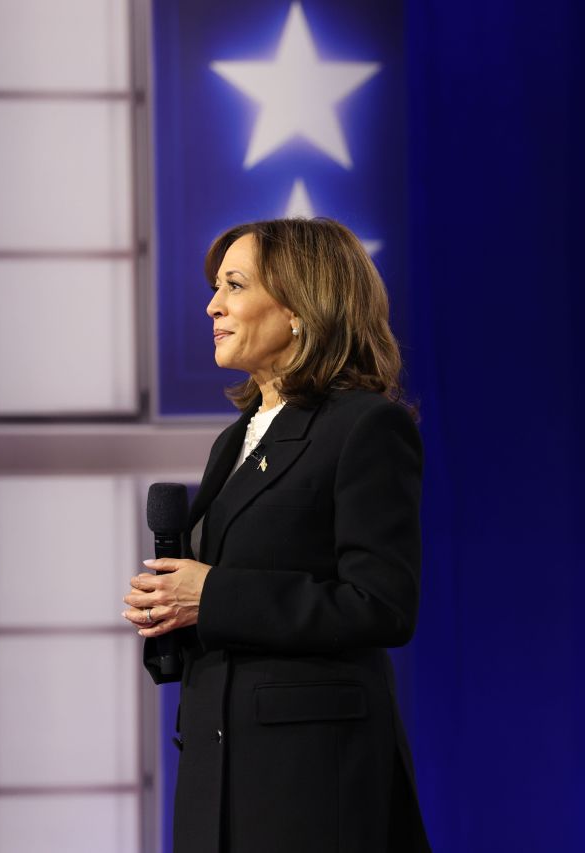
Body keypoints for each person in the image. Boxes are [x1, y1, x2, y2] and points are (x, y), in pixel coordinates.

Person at [122, 217, 431, 852]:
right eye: (215, 287)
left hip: (309, 782)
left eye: (233, 286)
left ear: (298, 308)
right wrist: (173, 611)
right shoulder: (234, 440)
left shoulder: (364, 428)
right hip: (220, 773)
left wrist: (213, 597)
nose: (212, 305)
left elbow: (382, 605)